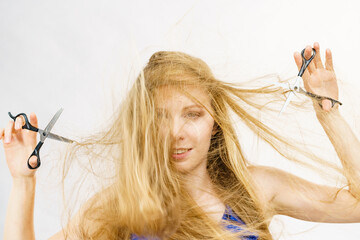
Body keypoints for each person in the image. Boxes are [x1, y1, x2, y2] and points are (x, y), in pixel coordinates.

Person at [2, 42, 360, 240]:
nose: (177, 132)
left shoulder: (254, 188)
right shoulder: (119, 204)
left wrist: (329, 113)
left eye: (193, 114)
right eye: (159, 117)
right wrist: (22, 182)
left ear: (215, 121)